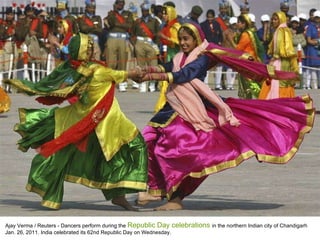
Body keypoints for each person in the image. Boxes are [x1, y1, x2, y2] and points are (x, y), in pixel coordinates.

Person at [135, 22, 314, 211]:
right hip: (171, 107)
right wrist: (146, 71)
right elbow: (167, 67)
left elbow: (185, 75)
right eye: (180, 39)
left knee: (183, 153)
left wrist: (152, 78)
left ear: (196, 39)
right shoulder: (179, 56)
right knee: (148, 141)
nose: (182, 42)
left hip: (197, 109)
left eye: (186, 39)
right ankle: (153, 189)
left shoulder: (202, 57)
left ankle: (175, 197)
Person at [7, 33, 148, 211]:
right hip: (107, 124)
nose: (94, 49)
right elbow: (127, 73)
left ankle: (117, 196)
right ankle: (140, 191)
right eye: (90, 46)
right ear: (85, 52)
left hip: (88, 123)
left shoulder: (75, 69)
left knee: (98, 158)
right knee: (137, 146)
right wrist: (139, 73)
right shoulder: (98, 71)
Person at [259, 11, 299, 99]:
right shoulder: (285, 29)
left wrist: (274, 58)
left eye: (275, 19)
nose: (273, 21)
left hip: (279, 61)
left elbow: (278, 46)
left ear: (281, 19)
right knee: (284, 82)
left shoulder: (280, 30)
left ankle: (274, 102)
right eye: (272, 19)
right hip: (286, 61)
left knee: (275, 81)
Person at [103, 0, 134, 92]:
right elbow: (111, 23)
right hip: (112, 38)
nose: (120, 4)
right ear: (115, 4)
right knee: (111, 61)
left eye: (122, 3)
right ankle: (110, 81)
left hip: (123, 39)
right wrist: (114, 12)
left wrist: (118, 24)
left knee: (122, 61)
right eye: (118, 3)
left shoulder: (128, 14)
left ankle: (122, 82)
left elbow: (129, 25)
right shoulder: (111, 13)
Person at [131, 3, 160, 93]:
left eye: (146, 11)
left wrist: (157, 44)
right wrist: (135, 44)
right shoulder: (137, 21)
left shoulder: (154, 21)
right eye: (143, 11)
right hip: (139, 43)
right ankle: (142, 84)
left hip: (151, 43)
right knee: (141, 65)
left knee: (153, 64)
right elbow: (132, 33)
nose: (145, 12)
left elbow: (158, 33)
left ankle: (151, 84)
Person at [236, 14, 265, 99]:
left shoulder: (245, 34)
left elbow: (238, 49)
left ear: (244, 24)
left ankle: (262, 99)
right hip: (249, 62)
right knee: (250, 84)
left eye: (239, 22)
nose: (237, 24)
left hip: (247, 63)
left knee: (250, 84)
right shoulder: (250, 33)